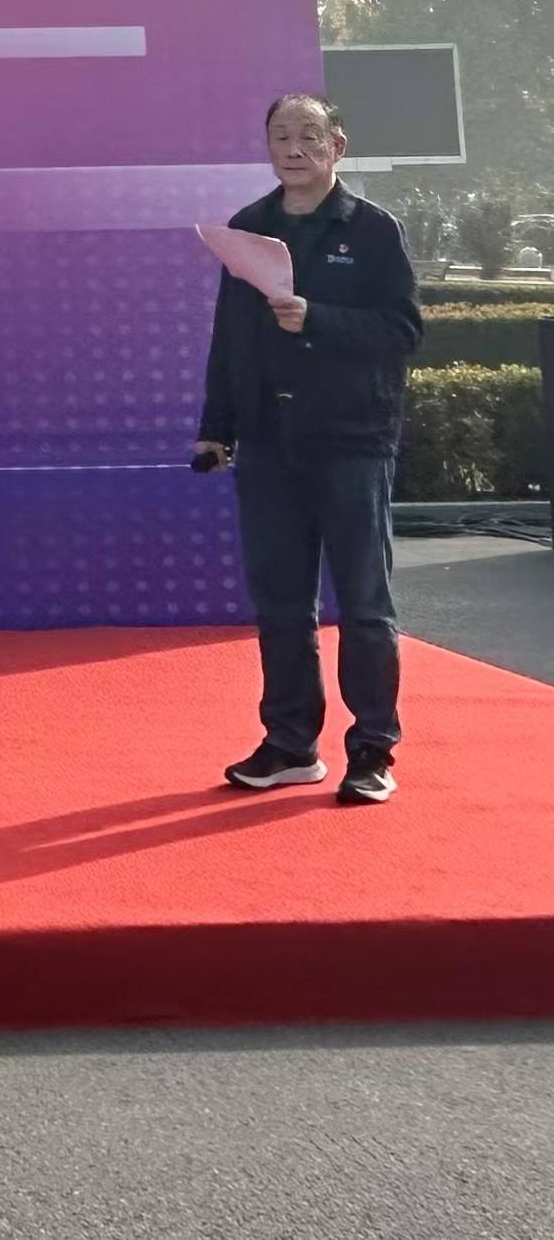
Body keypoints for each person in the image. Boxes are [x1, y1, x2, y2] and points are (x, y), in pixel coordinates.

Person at [195, 92, 424, 804]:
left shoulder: (372, 229)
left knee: (364, 603)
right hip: (269, 442)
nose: (294, 148)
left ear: (337, 146)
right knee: (281, 604)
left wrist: (316, 319)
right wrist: (217, 427)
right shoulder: (248, 228)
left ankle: (372, 748)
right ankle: (291, 744)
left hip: (352, 439)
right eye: (281, 136)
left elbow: (403, 331)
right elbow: (230, 338)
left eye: (309, 136)